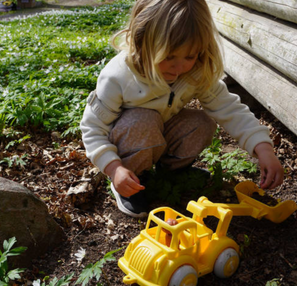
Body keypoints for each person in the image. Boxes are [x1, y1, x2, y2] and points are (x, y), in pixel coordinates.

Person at [80, 0, 284, 218]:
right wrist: (114, 168)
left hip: (159, 134)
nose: (179, 67)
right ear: (142, 41)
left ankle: (171, 172)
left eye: (189, 56)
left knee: (201, 123)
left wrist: (263, 148)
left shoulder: (195, 71)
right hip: (129, 144)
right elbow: (92, 128)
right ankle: (131, 180)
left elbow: (229, 108)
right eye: (168, 57)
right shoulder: (118, 76)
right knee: (143, 120)